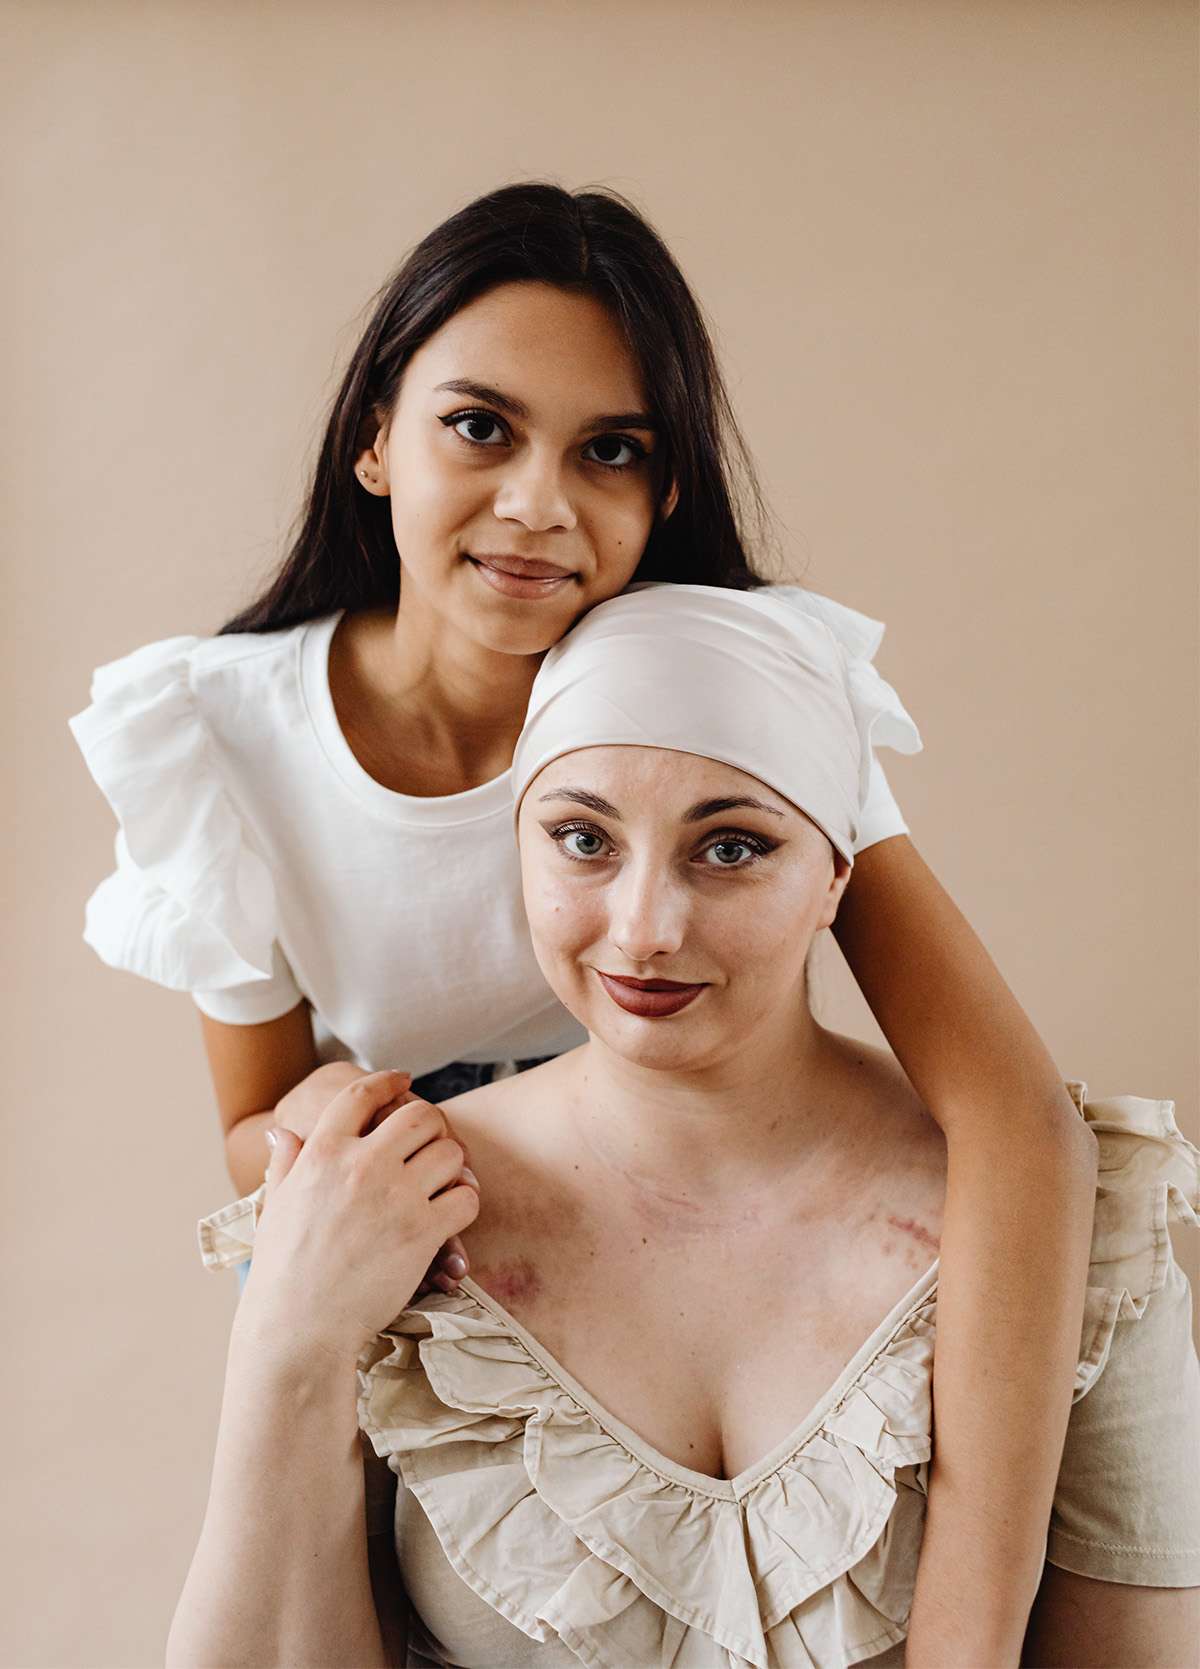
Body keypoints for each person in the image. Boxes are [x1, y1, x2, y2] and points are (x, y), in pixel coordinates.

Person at [72, 183, 1100, 1660]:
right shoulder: (228, 739)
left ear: (667, 489)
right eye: (481, 427)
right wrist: (362, 1177)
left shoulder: (738, 687)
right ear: (375, 434)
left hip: (724, 1180)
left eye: (610, 450)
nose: (540, 505)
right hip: (436, 1214)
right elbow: (252, 1131)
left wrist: (968, 1634)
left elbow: (1014, 1113)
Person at [171, 584, 1200, 1668]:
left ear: (837, 875)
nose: (645, 928)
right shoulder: (383, 1209)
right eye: (582, 838)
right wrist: (289, 1340)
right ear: (517, 845)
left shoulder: (1070, 1236)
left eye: (732, 848)